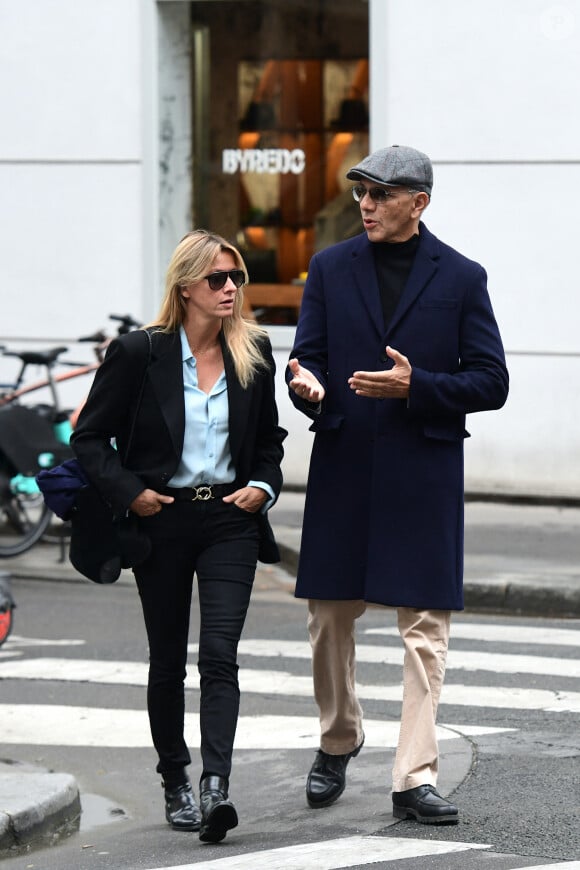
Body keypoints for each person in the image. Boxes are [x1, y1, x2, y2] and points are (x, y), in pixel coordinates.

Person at [286, 145, 508, 824]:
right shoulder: (329, 267)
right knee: (328, 615)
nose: (366, 205)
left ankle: (414, 776)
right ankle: (339, 736)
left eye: (380, 195)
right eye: (361, 193)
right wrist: (306, 387)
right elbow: (308, 357)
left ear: (419, 203)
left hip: (423, 469)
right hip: (347, 461)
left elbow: (492, 382)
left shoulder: (462, 277)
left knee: (424, 630)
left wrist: (421, 386)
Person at [72, 229, 287, 843]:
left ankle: (215, 787)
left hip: (229, 519)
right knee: (168, 660)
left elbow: (269, 441)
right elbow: (88, 439)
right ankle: (176, 779)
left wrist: (263, 487)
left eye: (236, 278)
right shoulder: (141, 353)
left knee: (220, 654)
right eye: (217, 278)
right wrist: (130, 493)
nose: (229, 289)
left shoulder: (254, 351)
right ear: (185, 286)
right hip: (160, 519)